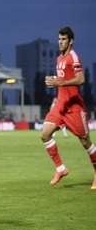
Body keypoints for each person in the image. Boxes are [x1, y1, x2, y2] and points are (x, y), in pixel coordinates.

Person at [41, 26, 96, 189]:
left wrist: (59, 82)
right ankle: (61, 168)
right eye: (59, 39)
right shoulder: (59, 59)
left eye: (63, 39)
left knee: (85, 142)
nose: (60, 42)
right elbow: (64, 79)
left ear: (71, 41)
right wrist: (54, 80)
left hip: (74, 108)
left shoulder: (73, 57)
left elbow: (81, 79)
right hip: (60, 106)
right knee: (45, 134)